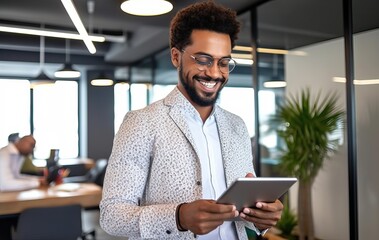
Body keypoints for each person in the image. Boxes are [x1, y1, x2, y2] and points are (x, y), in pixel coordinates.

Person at [100, 2, 283, 240]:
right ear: (176, 57)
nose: (215, 73)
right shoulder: (141, 123)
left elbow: (245, 216)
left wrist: (262, 219)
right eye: (203, 59)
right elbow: (112, 216)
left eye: (224, 62)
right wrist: (178, 217)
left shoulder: (237, 126)